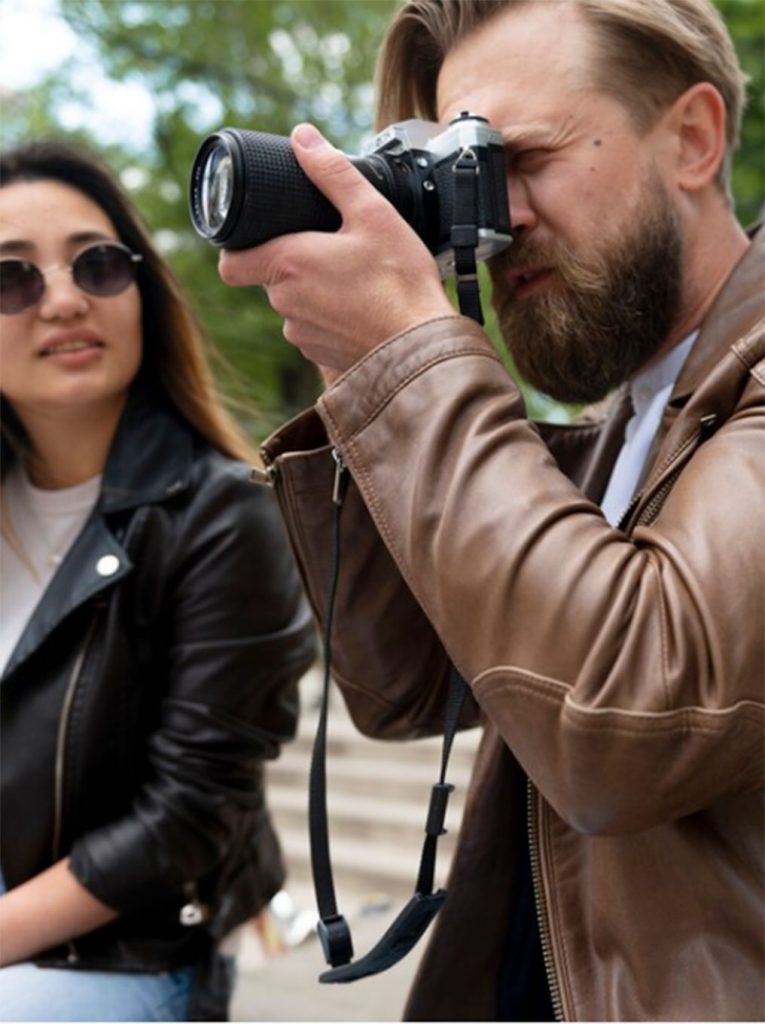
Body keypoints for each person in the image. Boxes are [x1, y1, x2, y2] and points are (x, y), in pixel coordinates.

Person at [216, 0, 764, 1020]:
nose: (494, 218)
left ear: (692, 138)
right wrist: (361, 370)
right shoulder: (627, 421)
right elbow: (406, 680)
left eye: (523, 157)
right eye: (462, 170)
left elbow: (625, 718)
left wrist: (409, 359)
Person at [0, 140, 316, 1022]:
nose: (63, 298)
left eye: (96, 265)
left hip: (129, 941)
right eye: (11, 278)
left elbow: (184, 819)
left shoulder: (223, 514)